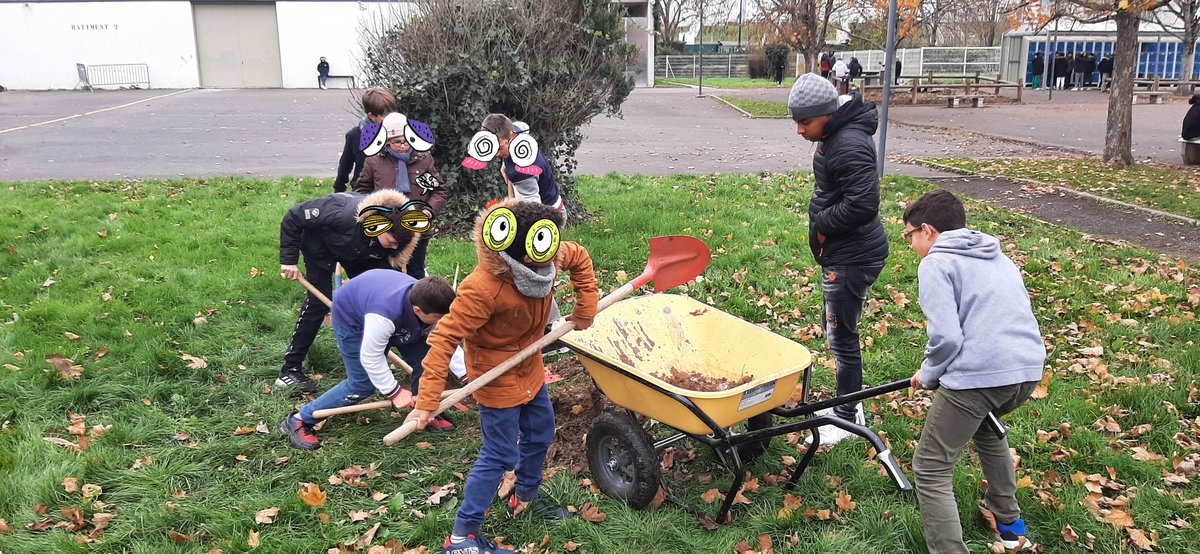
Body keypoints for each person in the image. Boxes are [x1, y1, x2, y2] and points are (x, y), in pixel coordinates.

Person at [406, 200, 599, 554]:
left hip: (530, 364)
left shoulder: (549, 254)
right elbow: (444, 337)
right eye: (546, 253)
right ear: (523, 256)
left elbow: (579, 257)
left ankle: (525, 496)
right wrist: (427, 399)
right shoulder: (483, 288)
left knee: (540, 432)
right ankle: (462, 537)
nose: (554, 257)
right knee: (499, 453)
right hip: (495, 375)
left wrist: (585, 306)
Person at [901, 189, 1045, 553]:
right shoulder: (999, 257)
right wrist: (933, 372)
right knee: (987, 427)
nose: (910, 243)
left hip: (980, 375)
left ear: (928, 230)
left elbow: (947, 337)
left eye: (909, 235)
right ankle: (1011, 525)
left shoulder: (936, 263)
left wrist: (931, 375)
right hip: (1026, 370)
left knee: (931, 465)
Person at [786, 74, 889, 445]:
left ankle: (847, 416)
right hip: (847, 252)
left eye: (805, 122)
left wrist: (823, 227)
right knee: (839, 330)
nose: (799, 130)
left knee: (842, 337)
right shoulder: (837, 135)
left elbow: (863, 204)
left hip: (851, 255)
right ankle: (849, 403)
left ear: (827, 115)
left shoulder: (847, 143)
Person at [279, 271, 458, 449]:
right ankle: (300, 419)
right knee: (362, 384)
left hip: (385, 306)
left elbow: (443, 344)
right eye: (438, 318)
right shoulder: (385, 315)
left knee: (426, 360)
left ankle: (422, 411)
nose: (441, 322)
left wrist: (466, 375)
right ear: (418, 310)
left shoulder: (427, 301)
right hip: (352, 318)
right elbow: (371, 356)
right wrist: (394, 392)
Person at [277, 189, 427, 395]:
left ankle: (374, 361)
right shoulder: (341, 214)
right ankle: (290, 368)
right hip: (319, 246)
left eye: (399, 245)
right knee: (318, 303)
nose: (395, 247)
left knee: (379, 303)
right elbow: (293, 217)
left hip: (362, 253)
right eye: (392, 241)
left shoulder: (395, 241)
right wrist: (288, 260)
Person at [354, 112, 448, 280]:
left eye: (407, 140)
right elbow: (361, 193)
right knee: (390, 274)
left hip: (417, 228)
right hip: (386, 230)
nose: (404, 145)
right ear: (386, 141)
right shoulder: (374, 161)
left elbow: (439, 190)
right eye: (398, 142)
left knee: (416, 273)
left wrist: (428, 212)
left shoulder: (424, 159)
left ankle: (417, 305)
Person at [479, 114, 565, 214]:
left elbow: (534, 212)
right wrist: (505, 164)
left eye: (499, 148)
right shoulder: (518, 130)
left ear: (511, 135)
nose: (496, 154)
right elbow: (523, 126)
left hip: (549, 217)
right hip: (551, 199)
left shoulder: (521, 173)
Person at [334, 87, 398, 193]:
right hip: (363, 192)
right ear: (372, 116)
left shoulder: (399, 133)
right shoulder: (355, 135)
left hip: (391, 191)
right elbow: (344, 166)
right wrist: (338, 192)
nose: (391, 118)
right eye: (385, 115)